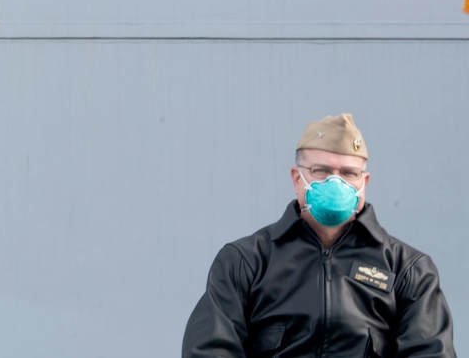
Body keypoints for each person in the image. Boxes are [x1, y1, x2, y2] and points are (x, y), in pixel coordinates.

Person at [182, 113, 456, 357]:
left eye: (349, 173)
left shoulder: (408, 270)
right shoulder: (245, 262)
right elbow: (209, 350)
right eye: (321, 171)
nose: (336, 182)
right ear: (296, 178)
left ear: (365, 182)